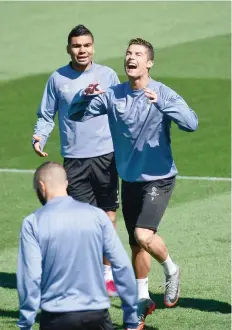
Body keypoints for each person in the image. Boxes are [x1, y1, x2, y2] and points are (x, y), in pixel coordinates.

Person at [68, 38, 198, 329]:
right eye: (128, 53)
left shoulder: (162, 92)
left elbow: (191, 123)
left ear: (149, 62)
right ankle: (142, 300)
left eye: (138, 54)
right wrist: (84, 97)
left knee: (143, 234)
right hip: (130, 180)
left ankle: (172, 269)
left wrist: (163, 104)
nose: (131, 57)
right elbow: (75, 115)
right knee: (136, 246)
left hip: (159, 178)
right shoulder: (113, 95)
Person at [32, 24, 120, 295]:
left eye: (86, 45)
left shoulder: (108, 75)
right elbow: (47, 114)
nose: (82, 50)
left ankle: (106, 275)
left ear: (93, 47)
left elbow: (121, 109)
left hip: (106, 156)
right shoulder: (57, 79)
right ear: (68, 49)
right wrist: (39, 136)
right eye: (76, 46)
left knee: (107, 217)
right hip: (75, 159)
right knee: (83, 220)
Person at [16, 161, 138, 330]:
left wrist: (26, 322)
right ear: (66, 184)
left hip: (56, 318)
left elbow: (30, 276)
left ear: (41, 187)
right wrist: (131, 317)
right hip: (97, 316)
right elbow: (122, 265)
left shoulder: (32, 222)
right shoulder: (97, 216)